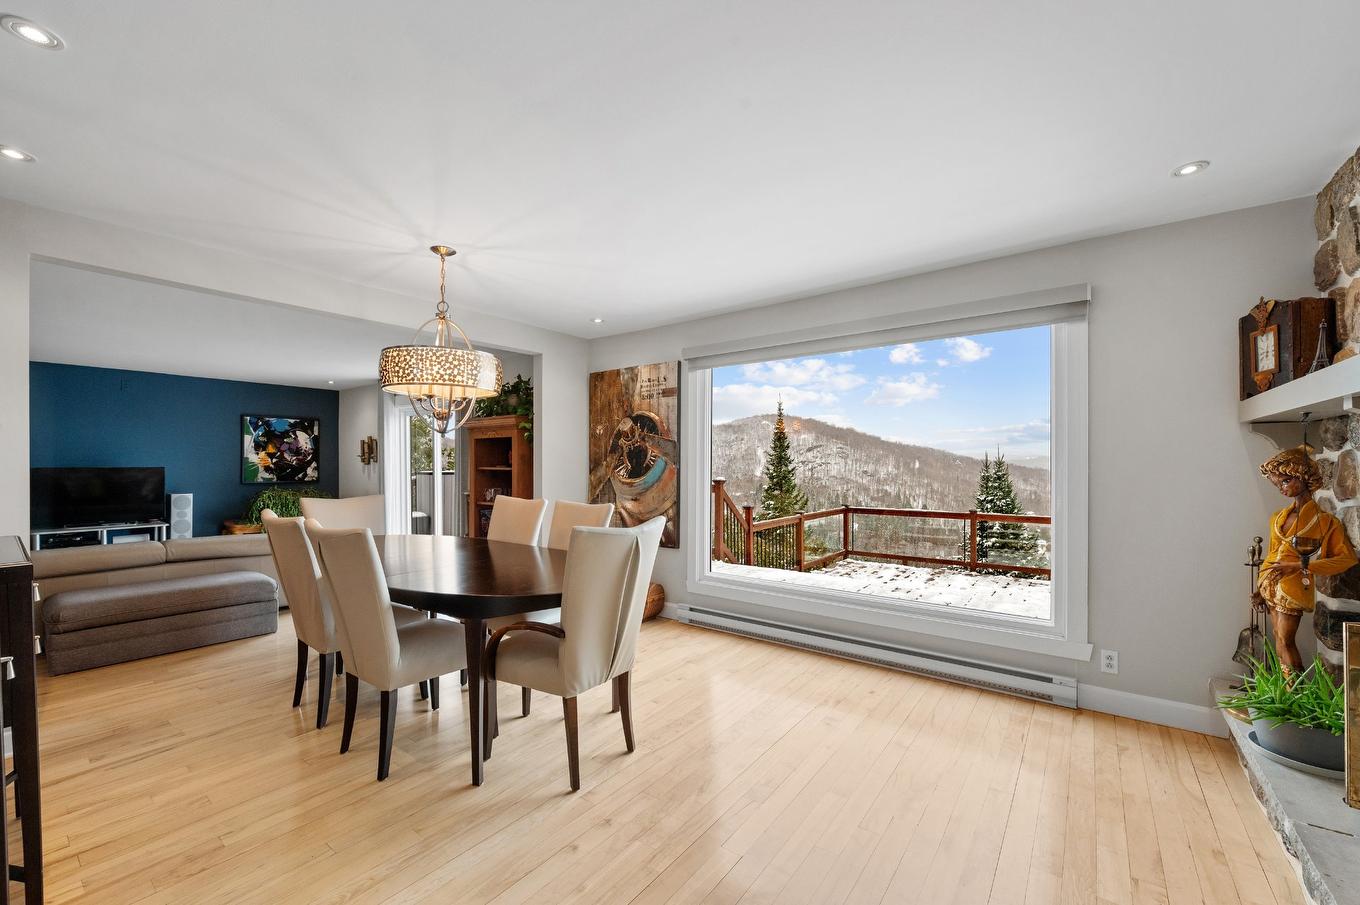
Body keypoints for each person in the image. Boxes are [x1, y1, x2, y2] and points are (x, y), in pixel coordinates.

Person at [1254, 447, 1357, 673]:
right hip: (1270, 584)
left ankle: (1296, 687)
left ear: (1303, 476)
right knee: (1277, 637)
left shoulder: (1325, 522)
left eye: (1286, 481)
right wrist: (1260, 589)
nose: (1282, 488)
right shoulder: (1278, 518)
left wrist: (1303, 565)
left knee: (1286, 640)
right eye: (1278, 484)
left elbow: (1346, 559)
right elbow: (1272, 553)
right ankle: (1286, 685)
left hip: (1293, 587)